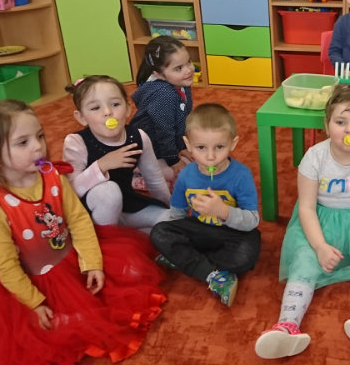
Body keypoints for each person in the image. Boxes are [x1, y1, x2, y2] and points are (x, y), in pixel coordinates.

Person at [0, 100, 166, 365]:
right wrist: (34, 303)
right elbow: (7, 267)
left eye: (39, 136)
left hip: (71, 261)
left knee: (125, 286)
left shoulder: (52, 175)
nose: (38, 146)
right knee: (36, 338)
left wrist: (92, 263)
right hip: (33, 282)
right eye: (23, 142)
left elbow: (79, 220)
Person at [254, 85, 350, 363]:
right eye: (341, 122)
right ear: (327, 124)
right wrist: (320, 246)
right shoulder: (314, 157)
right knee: (305, 259)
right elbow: (307, 207)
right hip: (319, 221)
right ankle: (286, 325)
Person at [149, 103, 260, 307]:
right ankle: (213, 274)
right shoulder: (186, 175)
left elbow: (252, 221)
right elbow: (178, 214)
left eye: (219, 147)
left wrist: (223, 211)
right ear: (188, 144)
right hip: (200, 231)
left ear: (233, 143)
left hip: (232, 234)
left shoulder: (241, 175)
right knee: (159, 232)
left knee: (246, 254)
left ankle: (187, 260)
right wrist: (177, 236)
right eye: (201, 148)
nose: (210, 156)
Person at [62, 75, 171, 232]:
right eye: (95, 108)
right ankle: (108, 240)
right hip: (91, 214)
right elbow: (71, 192)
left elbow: (154, 180)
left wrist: (170, 207)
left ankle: (129, 234)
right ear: (81, 117)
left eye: (115, 104)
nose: (108, 112)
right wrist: (101, 165)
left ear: (127, 109)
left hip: (128, 206)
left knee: (172, 220)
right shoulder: (76, 142)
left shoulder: (138, 137)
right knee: (109, 191)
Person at [130, 35, 195, 182]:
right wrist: (173, 160)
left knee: (200, 162)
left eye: (189, 62)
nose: (189, 70)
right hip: (149, 148)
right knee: (181, 176)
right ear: (158, 74)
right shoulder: (164, 95)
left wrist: (182, 147)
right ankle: (138, 173)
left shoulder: (181, 82)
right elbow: (164, 131)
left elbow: (182, 120)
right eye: (178, 68)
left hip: (166, 144)